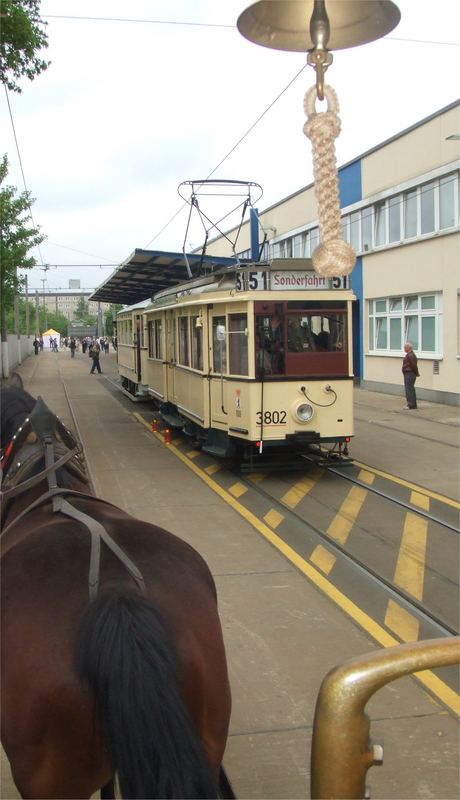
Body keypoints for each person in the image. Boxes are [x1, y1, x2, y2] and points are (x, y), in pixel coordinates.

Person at [402, 342, 419, 409]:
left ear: (408, 348)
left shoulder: (410, 355)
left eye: (405, 347)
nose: (404, 349)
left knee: (409, 389)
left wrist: (416, 373)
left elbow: (413, 365)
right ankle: (412, 404)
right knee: (410, 389)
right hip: (409, 373)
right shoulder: (409, 355)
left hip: (409, 374)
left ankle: (411, 405)